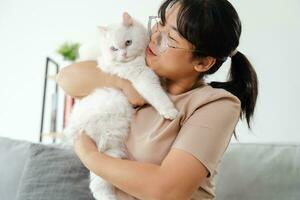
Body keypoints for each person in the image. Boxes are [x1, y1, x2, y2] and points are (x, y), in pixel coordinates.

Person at [56, 0, 258, 199]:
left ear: (203, 62)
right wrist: (124, 84)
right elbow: (66, 79)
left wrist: (90, 156)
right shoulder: (139, 70)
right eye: (159, 23)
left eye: (170, 37)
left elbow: (168, 191)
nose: (154, 37)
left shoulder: (216, 104)